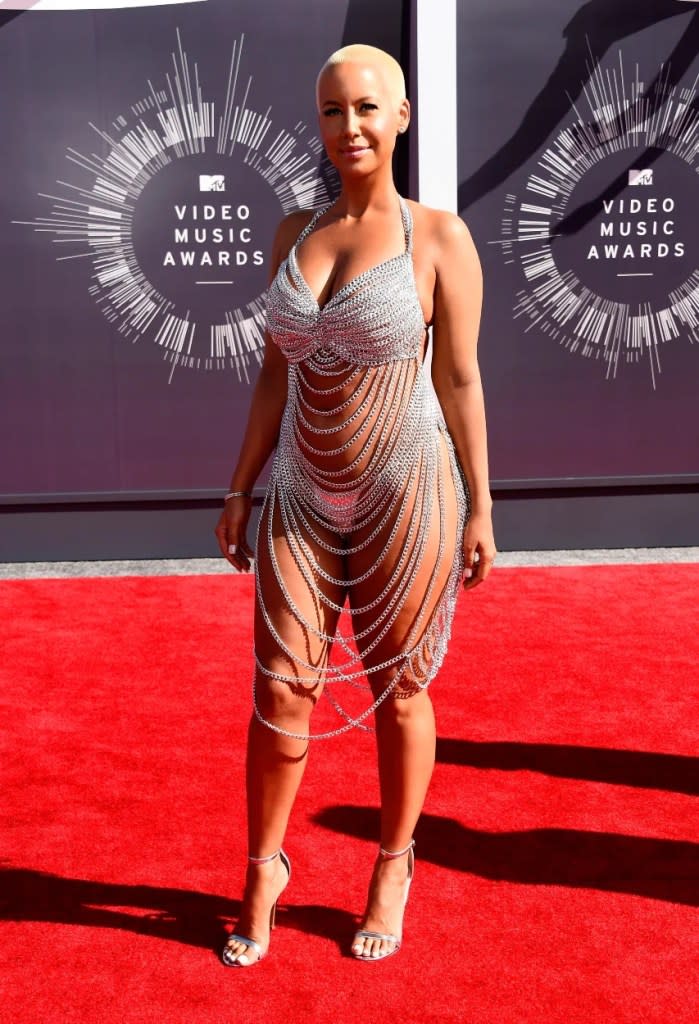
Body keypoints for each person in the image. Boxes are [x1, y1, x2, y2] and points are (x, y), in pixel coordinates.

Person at [214, 42, 496, 965]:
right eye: (334, 111)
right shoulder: (293, 231)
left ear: (402, 117)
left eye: (368, 109)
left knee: (399, 689)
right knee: (278, 689)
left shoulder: (439, 237)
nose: (351, 128)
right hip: (299, 489)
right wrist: (238, 485)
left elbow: (458, 380)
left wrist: (483, 507)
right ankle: (263, 868)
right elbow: (269, 376)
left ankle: (391, 863)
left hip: (408, 490)